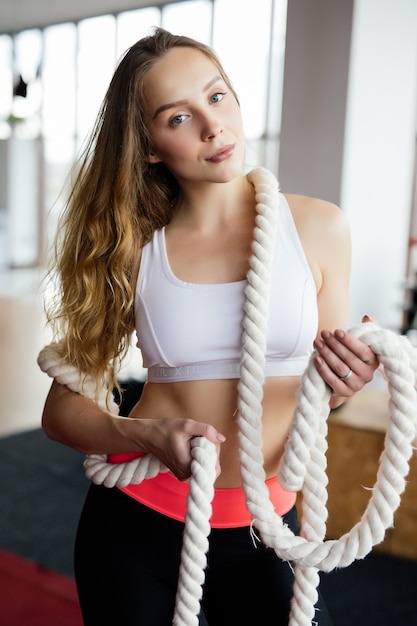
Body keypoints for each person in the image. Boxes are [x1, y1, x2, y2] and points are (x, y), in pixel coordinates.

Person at [40, 27, 380, 625]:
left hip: (265, 527)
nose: (211, 125)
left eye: (217, 97)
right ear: (147, 145)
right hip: (138, 526)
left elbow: (324, 395)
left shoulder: (320, 229)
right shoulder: (130, 248)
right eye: (177, 117)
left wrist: (347, 380)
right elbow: (61, 414)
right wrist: (143, 435)